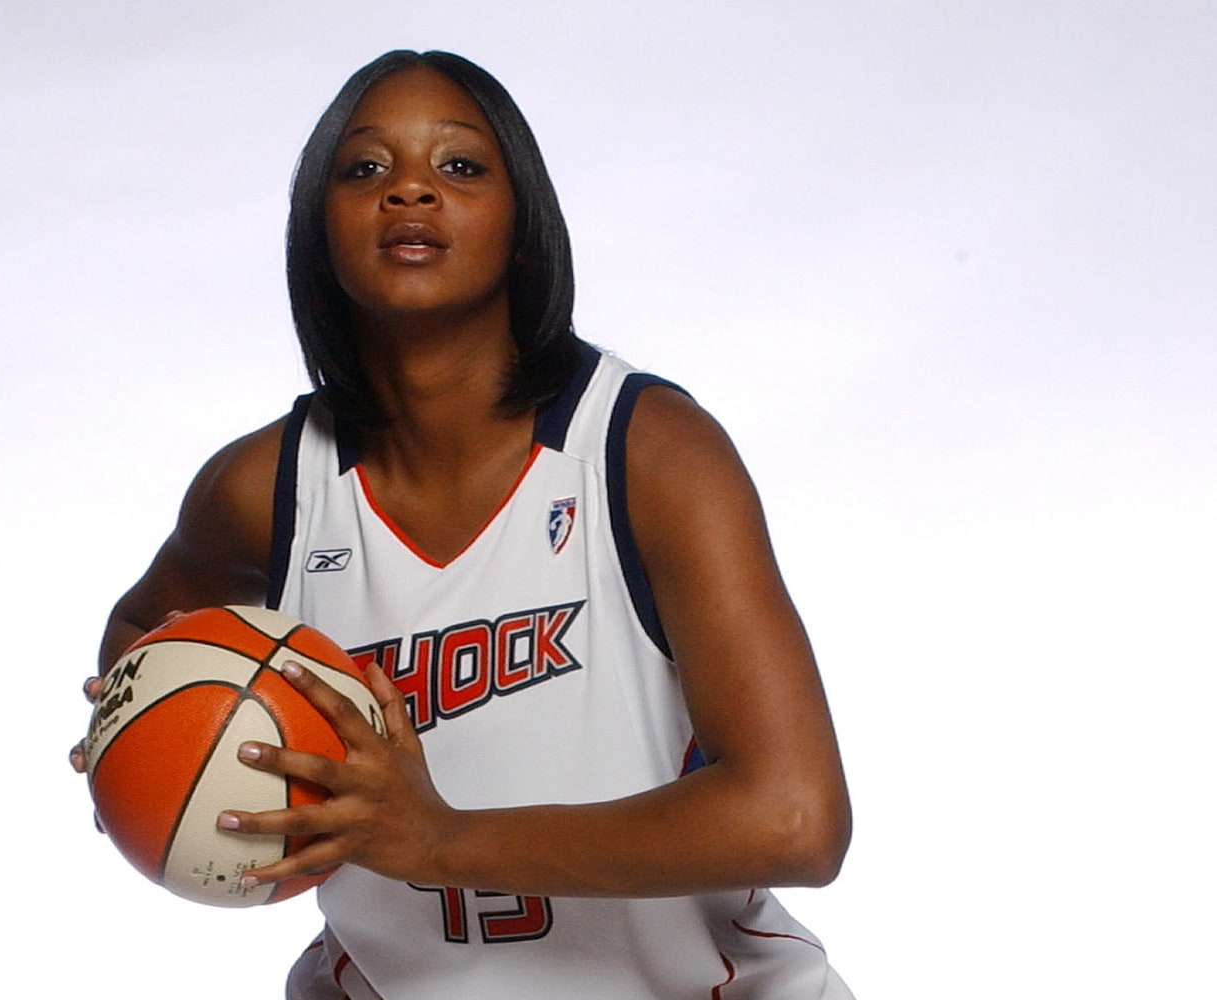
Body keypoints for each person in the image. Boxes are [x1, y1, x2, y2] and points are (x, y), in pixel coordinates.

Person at [71, 50, 854, 999]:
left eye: (460, 165)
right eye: (366, 168)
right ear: (318, 228)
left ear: (523, 221)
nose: (409, 190)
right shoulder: (266, 488)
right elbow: (141, 633)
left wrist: (438, 841)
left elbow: (795, 819)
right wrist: (143, 733)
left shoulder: (644, 452)